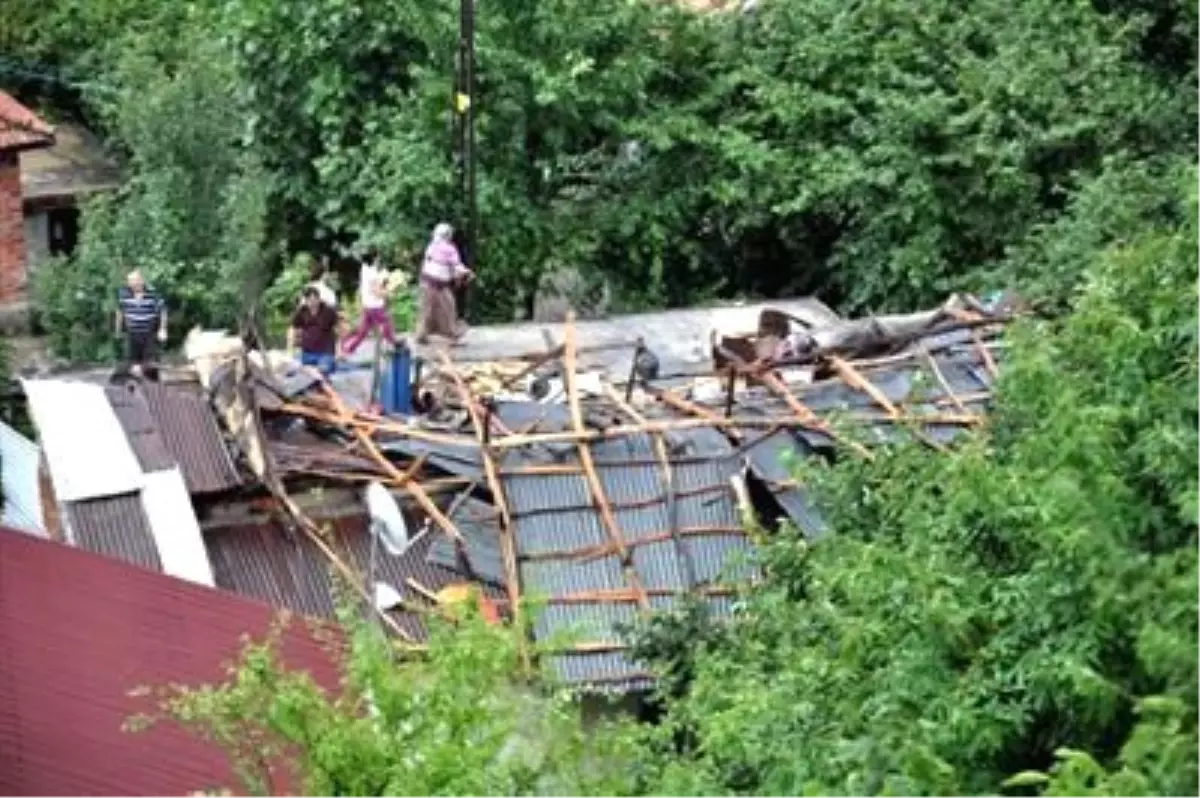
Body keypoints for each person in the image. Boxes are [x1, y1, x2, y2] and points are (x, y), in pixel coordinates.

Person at [417, 222, 474, 345]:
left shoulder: (431, 246)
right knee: (448, 308)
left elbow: (439, 266)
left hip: (427, 283)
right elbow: (456, 266)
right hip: (437, 285)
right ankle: (451, 336)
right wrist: (466, 272)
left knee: (427, 310)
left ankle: (423, 335)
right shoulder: (449, 249)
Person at [342, 247, 398, 356]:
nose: (379, 259)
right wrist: (388, 292)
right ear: (374, 258)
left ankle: (348, 349)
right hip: (375, 305)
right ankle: (395, 344)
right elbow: (376, 291)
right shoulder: (371, 272)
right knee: (386, 324)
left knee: (363, 331)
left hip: (367, 304)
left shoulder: (365, 268)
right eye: (377, 256)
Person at [115, 270, 167, 376]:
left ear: (141, 280)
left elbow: (163, 311)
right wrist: (118, 329)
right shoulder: (124, 293)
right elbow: (120, 312)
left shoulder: (153, 292)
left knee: (151, 363)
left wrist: (163, 329)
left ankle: (153, 387)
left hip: (149, 332)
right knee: (131, 363)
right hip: (132, 332)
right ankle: (133, 388)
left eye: (135, 280)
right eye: (130, 281)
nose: (133, 283)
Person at [288, 286, 340, 375]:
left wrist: (339, 350)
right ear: (306, 300)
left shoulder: (328, 311)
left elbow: (338, 329)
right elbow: (292, 328)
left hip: (325, 352)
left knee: (323, 370)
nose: (312, 303)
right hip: (308, 353)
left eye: (315, 299)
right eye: (310, 300)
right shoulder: (301, 311)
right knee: (301, 373)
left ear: (319, 299)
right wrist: (290, 350)